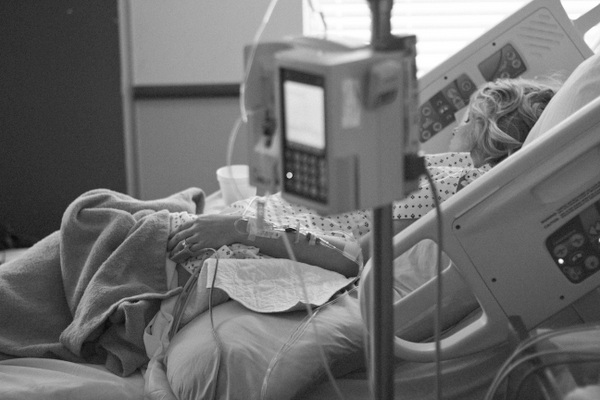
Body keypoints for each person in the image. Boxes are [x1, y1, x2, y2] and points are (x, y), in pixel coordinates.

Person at [167, 76, 560, 273]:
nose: (455, 128)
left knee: (115, 221)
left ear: (490, 135)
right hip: (260, 216)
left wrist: (240, 228)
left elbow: (355, 256)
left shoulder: (462, 186)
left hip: (252, 238)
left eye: (467, 120)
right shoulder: (448, 171)